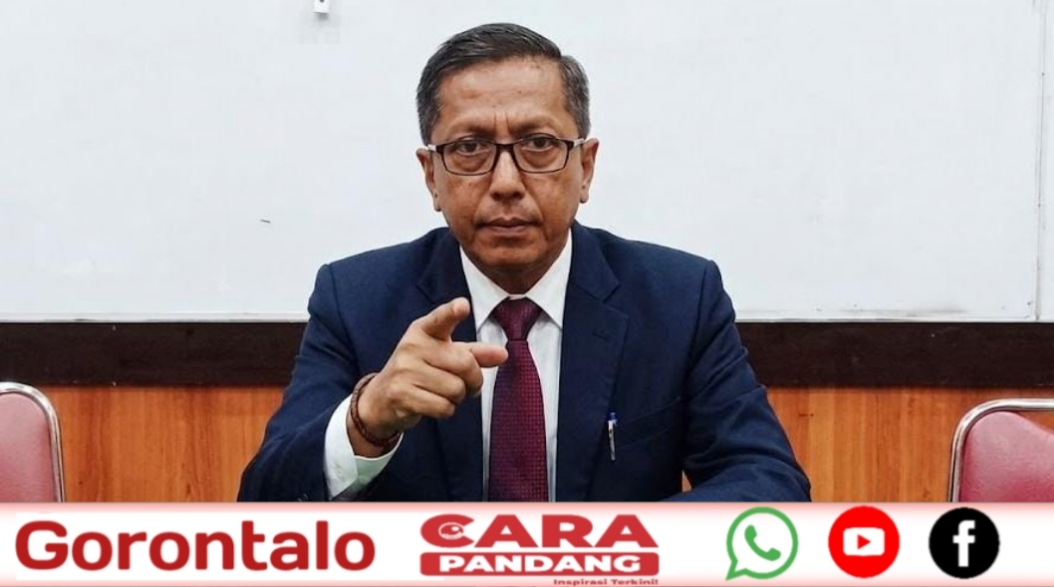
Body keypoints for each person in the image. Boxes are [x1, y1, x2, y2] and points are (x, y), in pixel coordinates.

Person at [238, 23, 810, 502]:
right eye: (469, 148)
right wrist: (367, 419)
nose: (507, 183)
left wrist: (609, 547)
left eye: (539, 144)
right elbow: (263, 507)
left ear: (585, 168)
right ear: (431, 176)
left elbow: (769, 485)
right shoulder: (356, 299)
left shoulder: (678, 298)